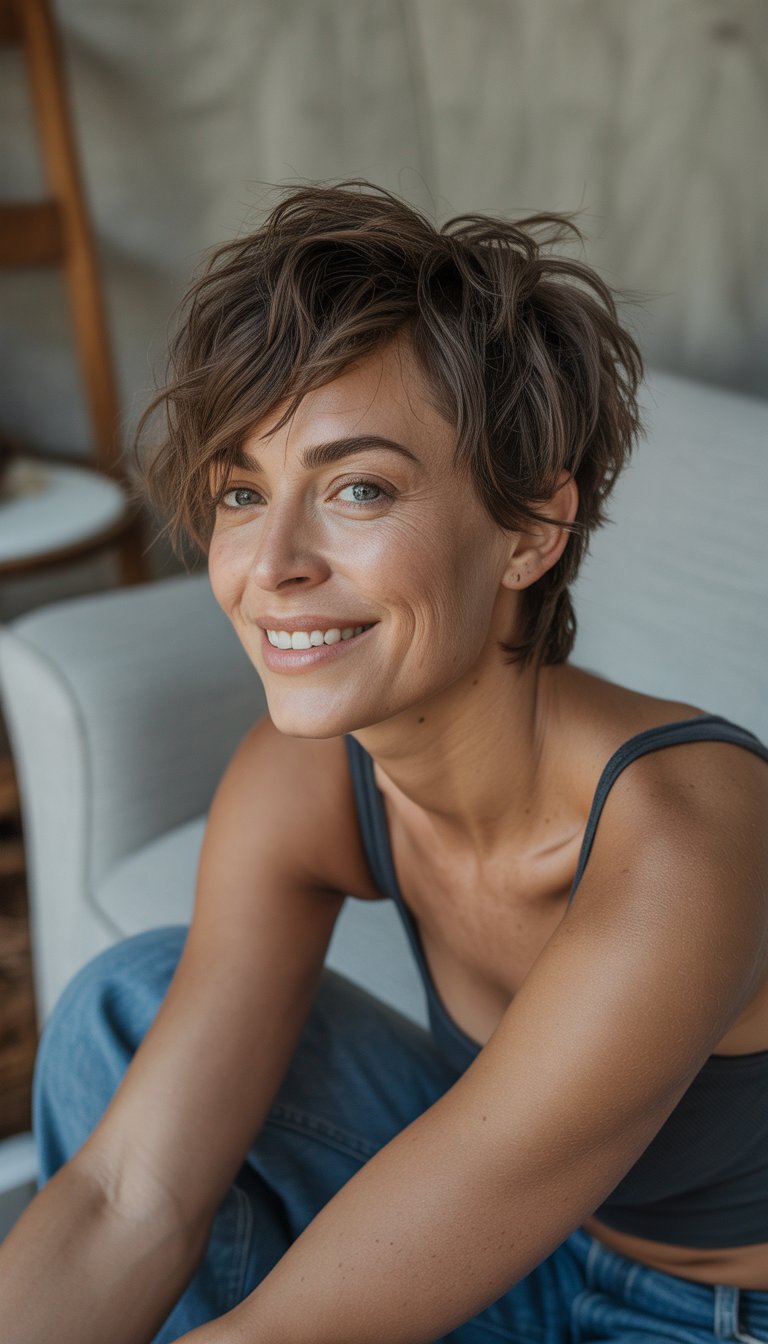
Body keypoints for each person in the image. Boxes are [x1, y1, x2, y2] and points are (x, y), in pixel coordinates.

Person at [1, 180, 767, 1344]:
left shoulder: (687, 828)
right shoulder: (302, 780)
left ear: (531, 530)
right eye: (245, 493)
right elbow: (123, 1196)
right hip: (521, 1251)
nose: (273, 563)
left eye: (359, 488)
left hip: (712, 1314)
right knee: (130, 1001)